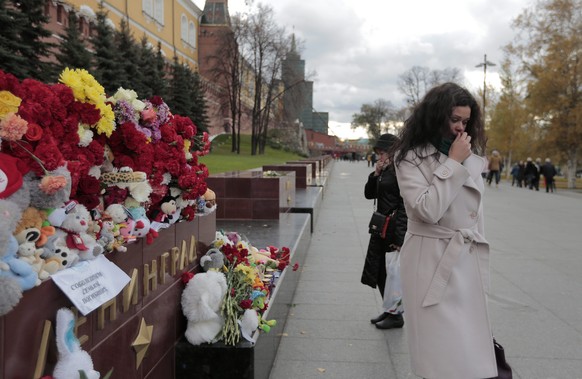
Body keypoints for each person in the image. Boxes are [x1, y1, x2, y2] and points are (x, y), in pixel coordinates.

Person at [393, 82, 498, 378]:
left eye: (466, 121)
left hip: (465, 258)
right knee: (437, 353)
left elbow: (474, 215)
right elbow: (426, 209)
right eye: (454, 119)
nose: (460, 128)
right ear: (436, 115)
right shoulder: (411, 158)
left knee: (467, 349)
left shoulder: (473, 159)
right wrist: (452, 162)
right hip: (430, 260)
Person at [361, 133, 408, 330]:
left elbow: (406, 204)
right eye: (378, 153)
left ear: (392, 152)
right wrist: (375, 175)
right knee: (379, 270)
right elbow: (368, 194)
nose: (380, 157)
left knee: (393, 273)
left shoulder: (402, 170)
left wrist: (400, 236)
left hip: (393, 227)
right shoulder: (385, 170)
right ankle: (389, 309)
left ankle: (396, 315)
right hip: (380, 226)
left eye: (382, 153)